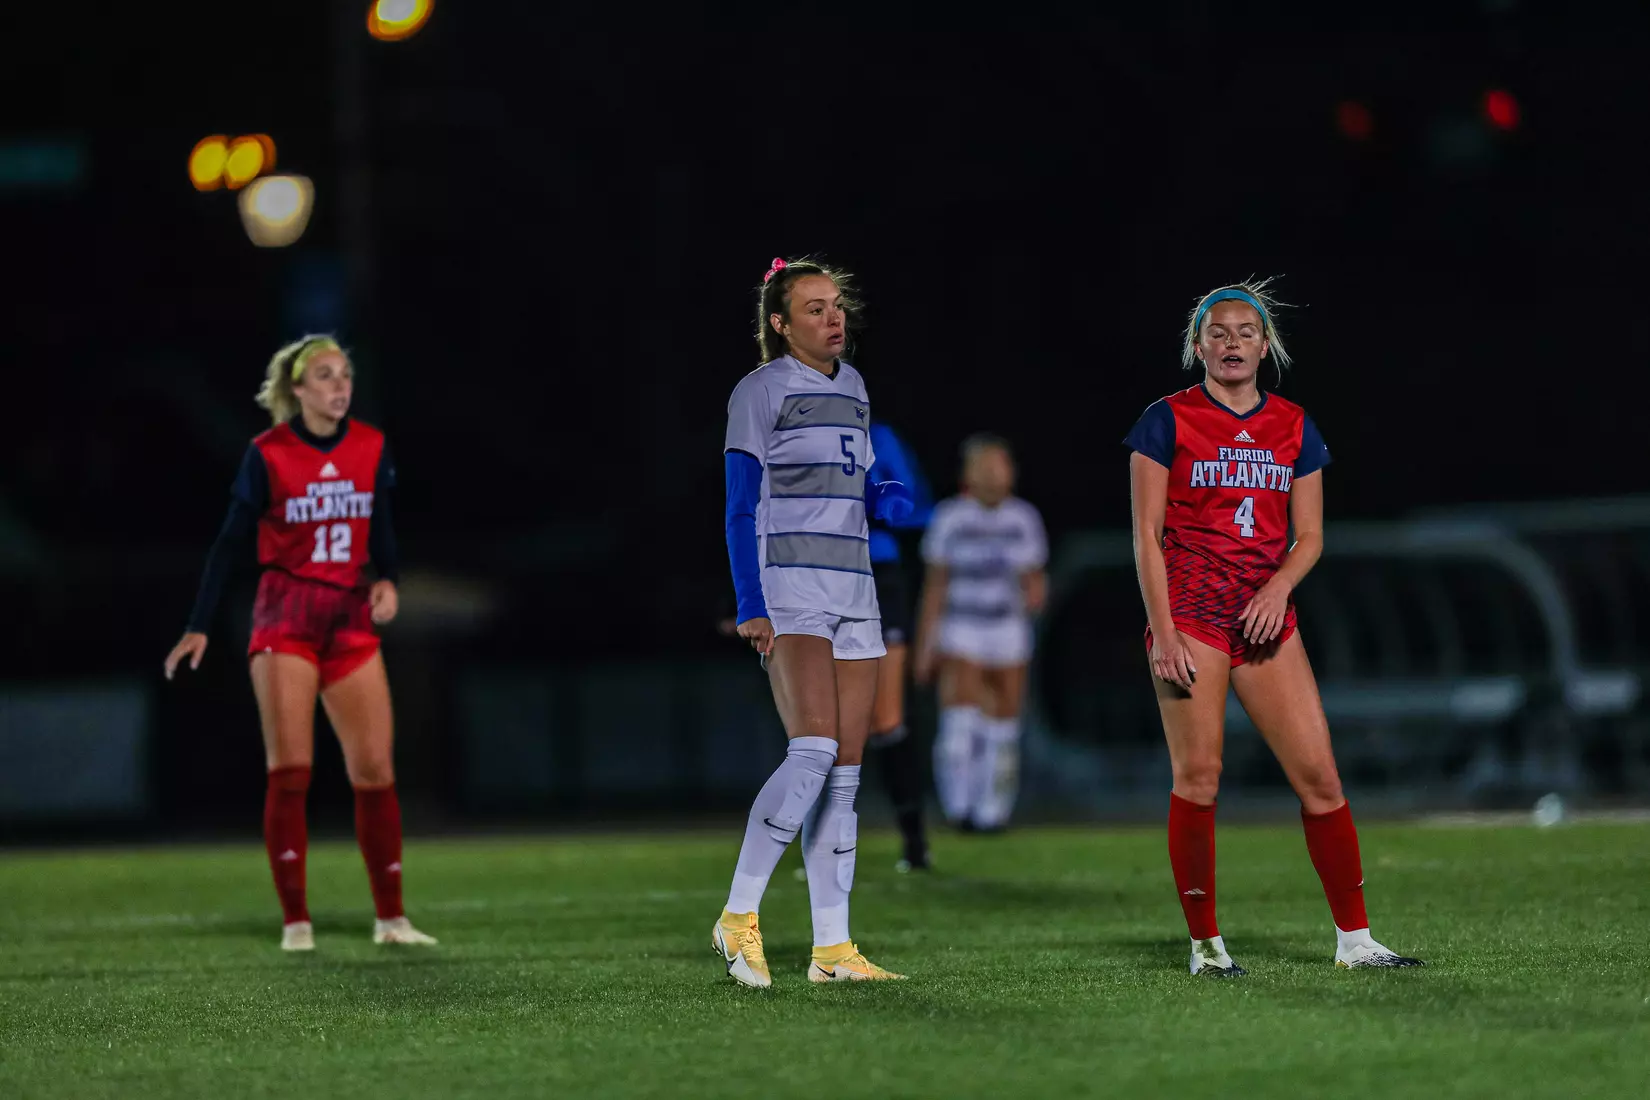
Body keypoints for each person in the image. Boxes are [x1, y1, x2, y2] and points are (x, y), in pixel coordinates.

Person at [1123, 280, 1422, 975]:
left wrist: (1279, 587)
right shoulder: (1165, 420)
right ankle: (1206, 946)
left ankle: (1356, 940)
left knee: (1320, 777)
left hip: (1265, 617)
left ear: (1266, 345)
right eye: (1218, 333)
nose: (1232, 344)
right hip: (1191, 614)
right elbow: (1145, 532)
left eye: (1245, 333)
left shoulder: (1294, 423)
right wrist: (1161, 631)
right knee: (1199, 777)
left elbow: (1310, 536)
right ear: (1198, 345)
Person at [163, 335, 436, 952]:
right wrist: (199, 622)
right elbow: (230, 543)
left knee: (375, 770)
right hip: (287, 615)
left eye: (345, 374)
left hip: (348, 618)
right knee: (292, 770)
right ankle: (296, 921)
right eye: (324, 375)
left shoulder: (370, 446)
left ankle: (391, 919)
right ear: (297, 390)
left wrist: (388, 581)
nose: (339, 386)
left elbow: (382, 530)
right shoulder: (268, 453)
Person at [713, 256, 911, 987]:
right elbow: (739, 505)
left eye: (837, 307)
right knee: (814, 751)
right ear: (780, 323)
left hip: (856, 588)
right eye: (817, 309)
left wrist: (883, 488)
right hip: (791, 588)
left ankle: (832, 949)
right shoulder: (759, 391)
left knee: (847, 776)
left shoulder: (854, 386)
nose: (835, 320)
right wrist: (750, 603)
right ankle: (738, 916)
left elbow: (853, 479)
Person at [914, 435, 1047, 833]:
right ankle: (959, 807)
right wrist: (926, 645)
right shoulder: (950, 518)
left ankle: (993, 811)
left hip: (1007, 629)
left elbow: (1035, 580)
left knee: (1002, 727)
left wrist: (1036, 595)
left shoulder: (1023, 519)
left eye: (1000, 465)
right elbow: (935, 586)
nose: (993, 473)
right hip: (961, 627)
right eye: (985, 465)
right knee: (959, 725)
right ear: (969, 473)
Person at [865, 419, 935, 871]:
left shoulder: (876, 436)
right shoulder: (786, 429)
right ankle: (822, 846)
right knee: (821, 726)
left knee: (887, 718)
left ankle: (914, 841)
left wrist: (863, 503)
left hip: (876, 574)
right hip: (812, 577)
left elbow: (909, 501)